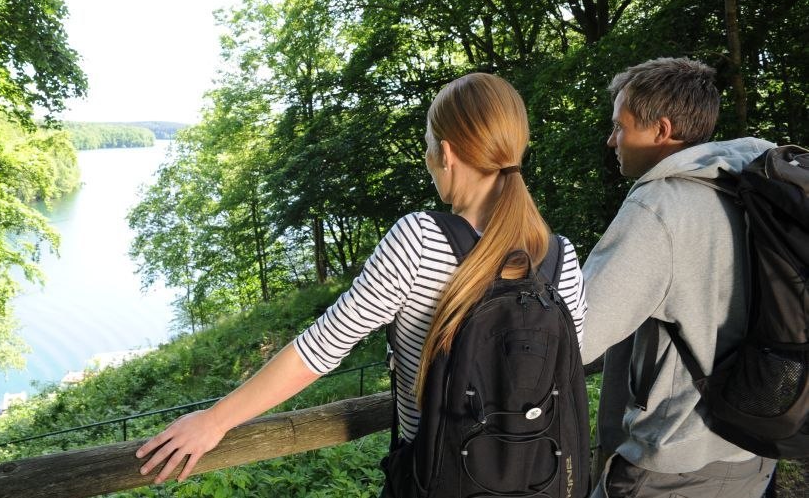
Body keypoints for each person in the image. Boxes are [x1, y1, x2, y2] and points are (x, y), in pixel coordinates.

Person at [135, 73, 588, 490]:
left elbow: (320, 348)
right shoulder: (560, 256)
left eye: (429, 145)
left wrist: (214, 421)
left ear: (446, 153)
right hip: (537, 481)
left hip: (439, 480)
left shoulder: (421, 240)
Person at [580, 57, 777, 497]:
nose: (612, 140)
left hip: (677, 466)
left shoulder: (659, 208)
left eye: (620, 126)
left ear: (662, 130)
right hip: (753, 451)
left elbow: (578, 333)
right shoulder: (753, 189)